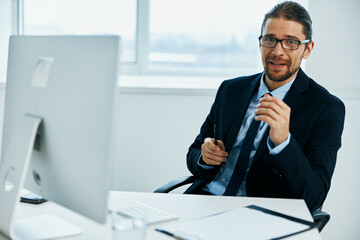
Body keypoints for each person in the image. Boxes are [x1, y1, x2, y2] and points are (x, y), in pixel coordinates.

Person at [185, 1, 345, 212]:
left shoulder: (326, 108)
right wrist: (204, 157)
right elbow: (194, 153)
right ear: (260, 44)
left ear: (307, 49)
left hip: (260, 215)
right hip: (205, 201)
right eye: (270, 39)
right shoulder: (231, 89)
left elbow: (313, 198)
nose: (278, 51)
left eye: (291, 42)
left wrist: (282, 142)